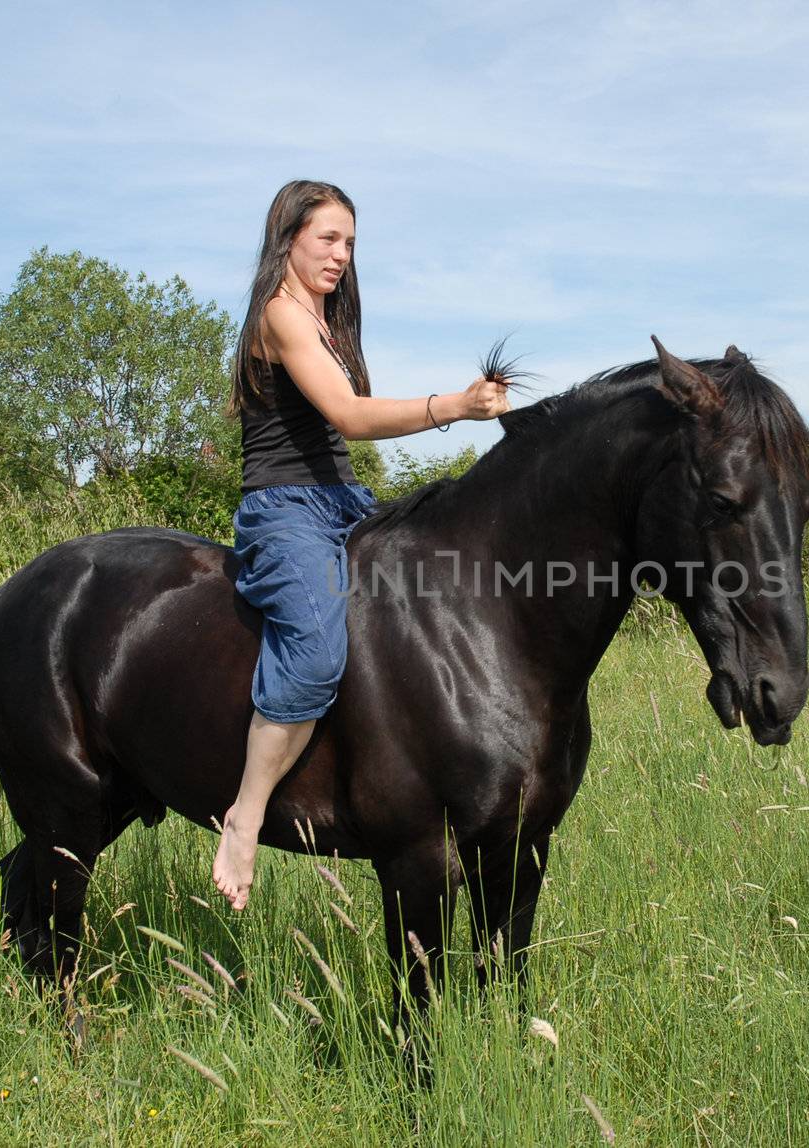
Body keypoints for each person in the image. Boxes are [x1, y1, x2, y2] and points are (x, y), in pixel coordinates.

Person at [213, 180, 510, 911]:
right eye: (329, 239)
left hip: (345, 504)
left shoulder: (326, 322)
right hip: (284, 513)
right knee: (315, 647)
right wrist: (456, 408)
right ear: (288, 238)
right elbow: (347, 415)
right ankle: (245, 816)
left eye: (350, 242)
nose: (342, 255)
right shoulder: (282, 316)